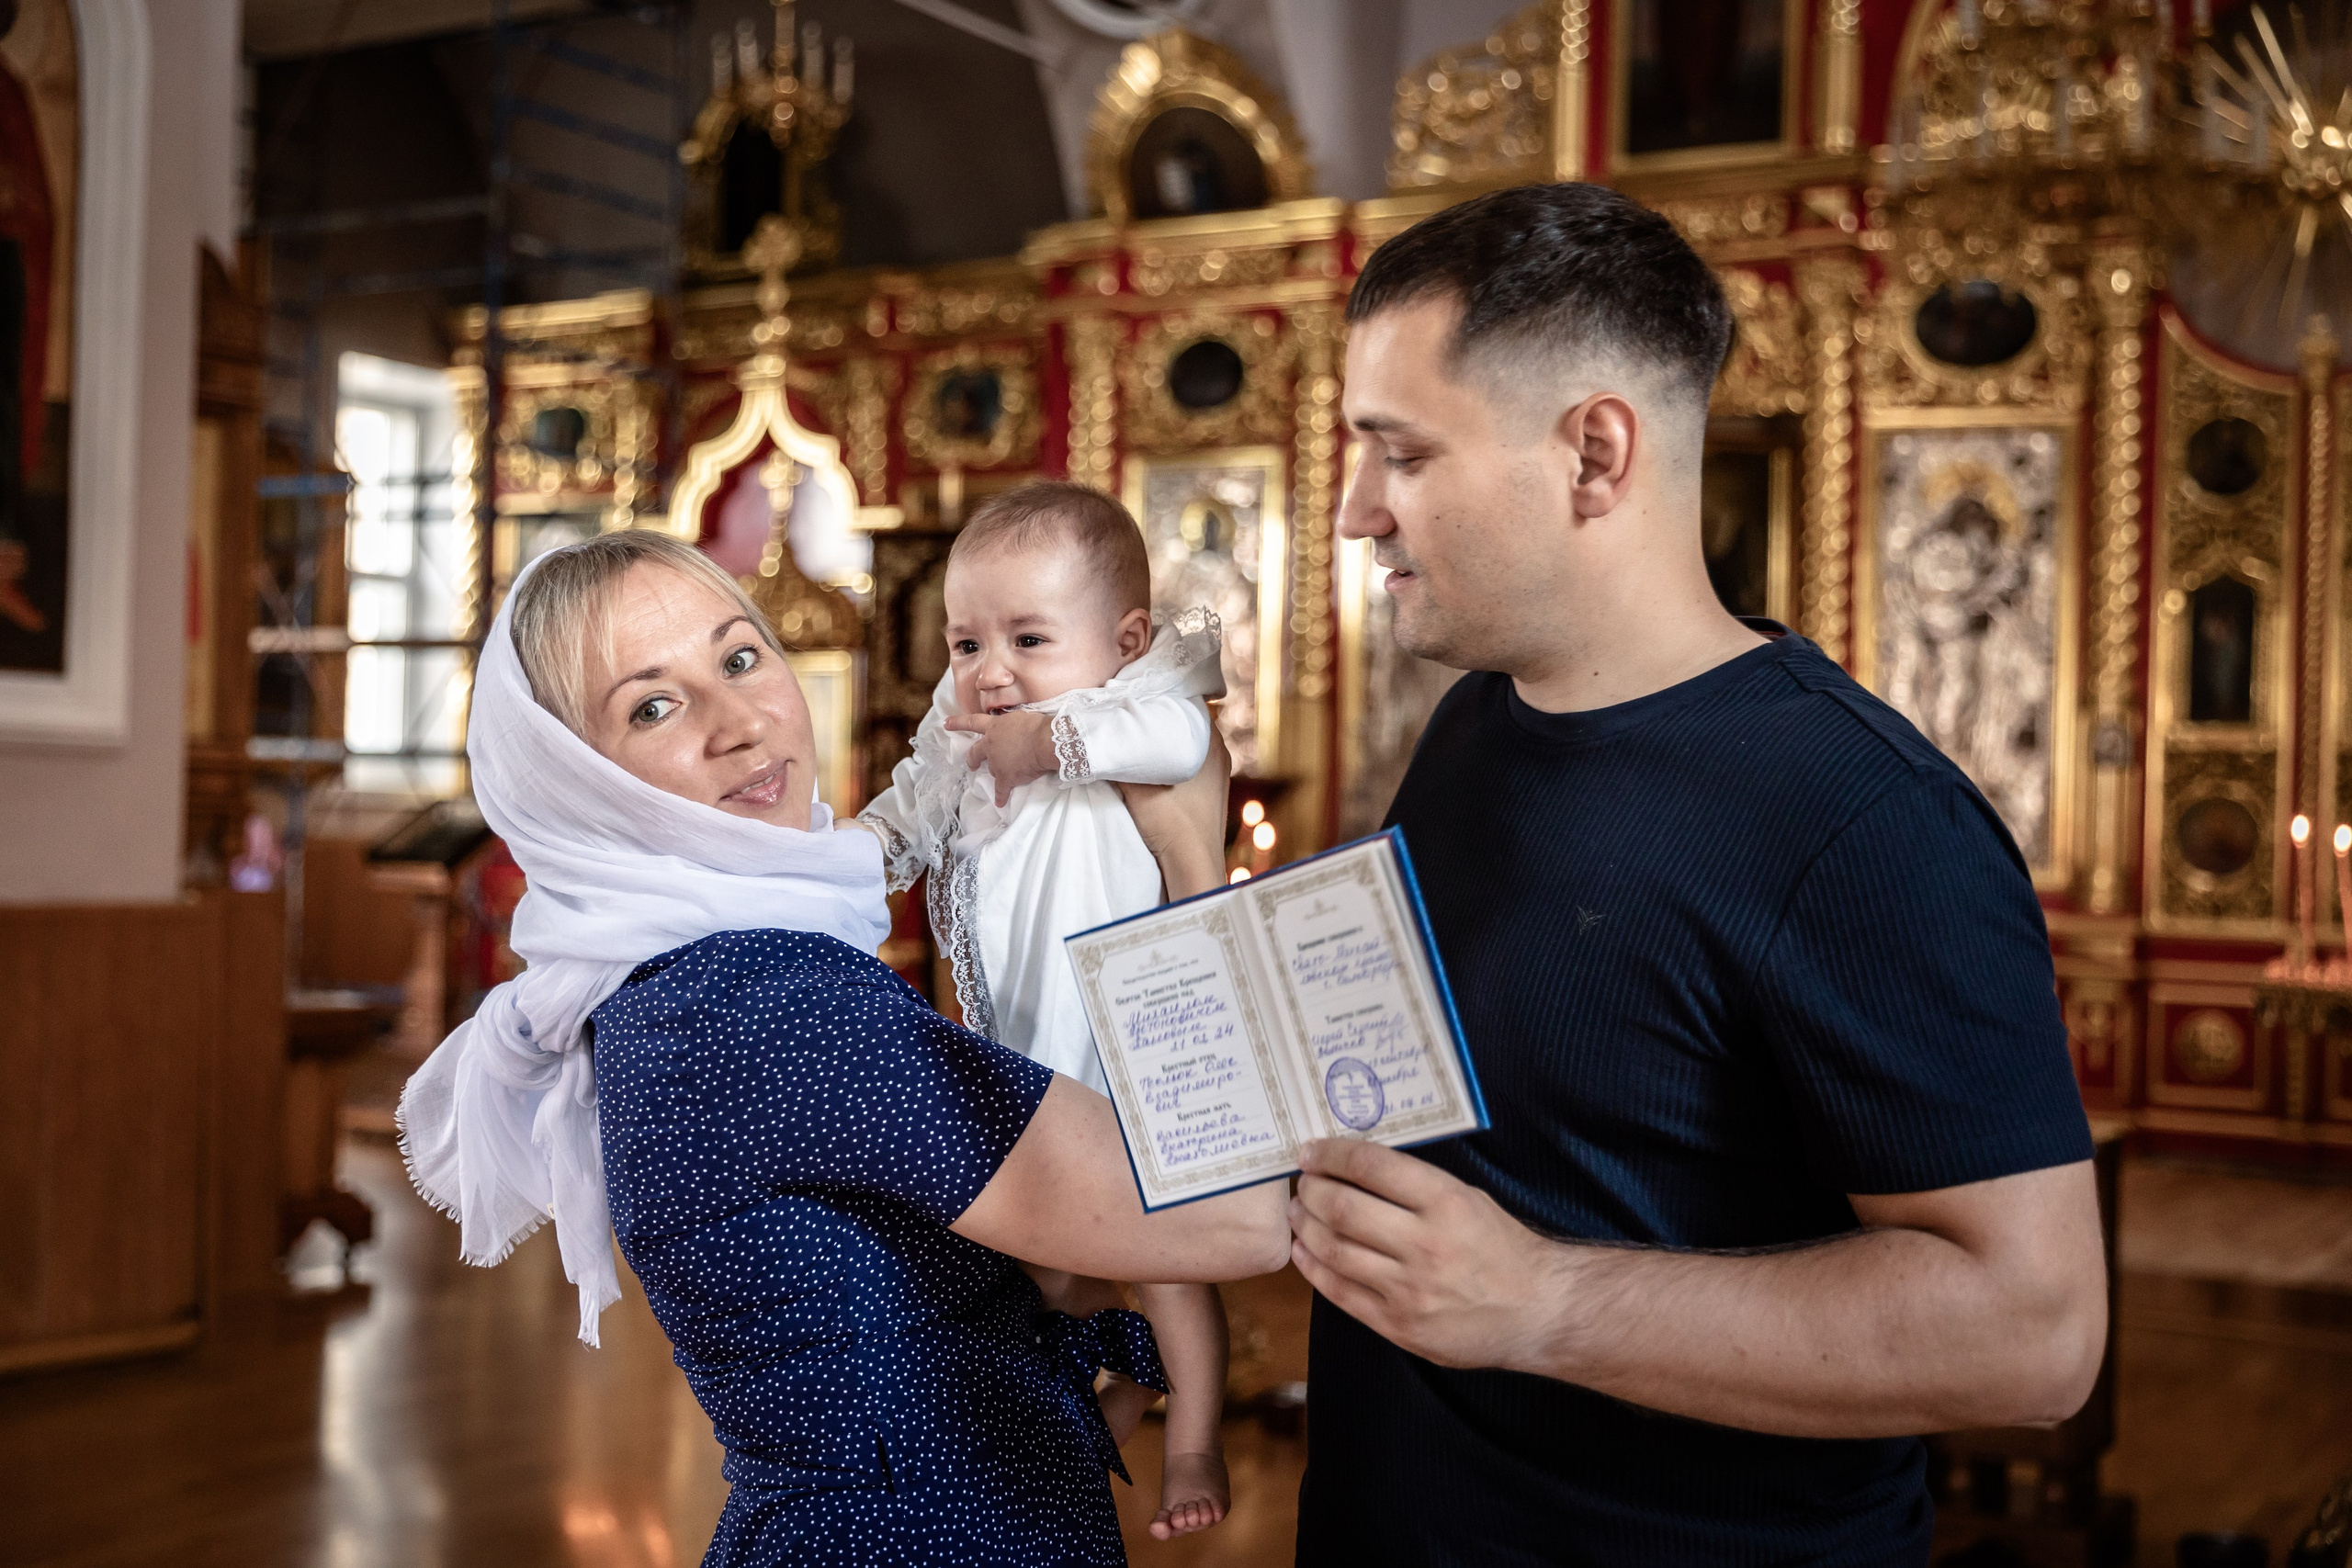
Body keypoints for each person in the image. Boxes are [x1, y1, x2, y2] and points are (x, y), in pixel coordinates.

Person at [1284, 182, 2106, 1564]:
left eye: (1401, 453)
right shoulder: (1474, 723)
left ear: (1594, 453)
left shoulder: (1864, 818)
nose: (1357, 511)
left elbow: (2035, 1334)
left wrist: (1542, 1302)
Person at [397, 530, 1289, 1568]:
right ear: (577, 783)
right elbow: (1238, 1218)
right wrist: (1192, 858)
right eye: (652, 706)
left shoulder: (673, 985)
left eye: (740, 658)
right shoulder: (767, 1003)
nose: (741, 723)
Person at [853, 479, 1235, 1538]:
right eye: (965, 642)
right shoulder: (963, 728)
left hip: (1129, 1042)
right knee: (1036, 1266)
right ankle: (1108, 1386)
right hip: (1017, 1045)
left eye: (1027, 639)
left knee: (1167, 1257)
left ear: (1123, 641)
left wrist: (1045, 742)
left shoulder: (1134, 704)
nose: (992, 670)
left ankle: (1196, 1437)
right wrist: (858, 851)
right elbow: (912, 809)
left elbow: (1181, 741)